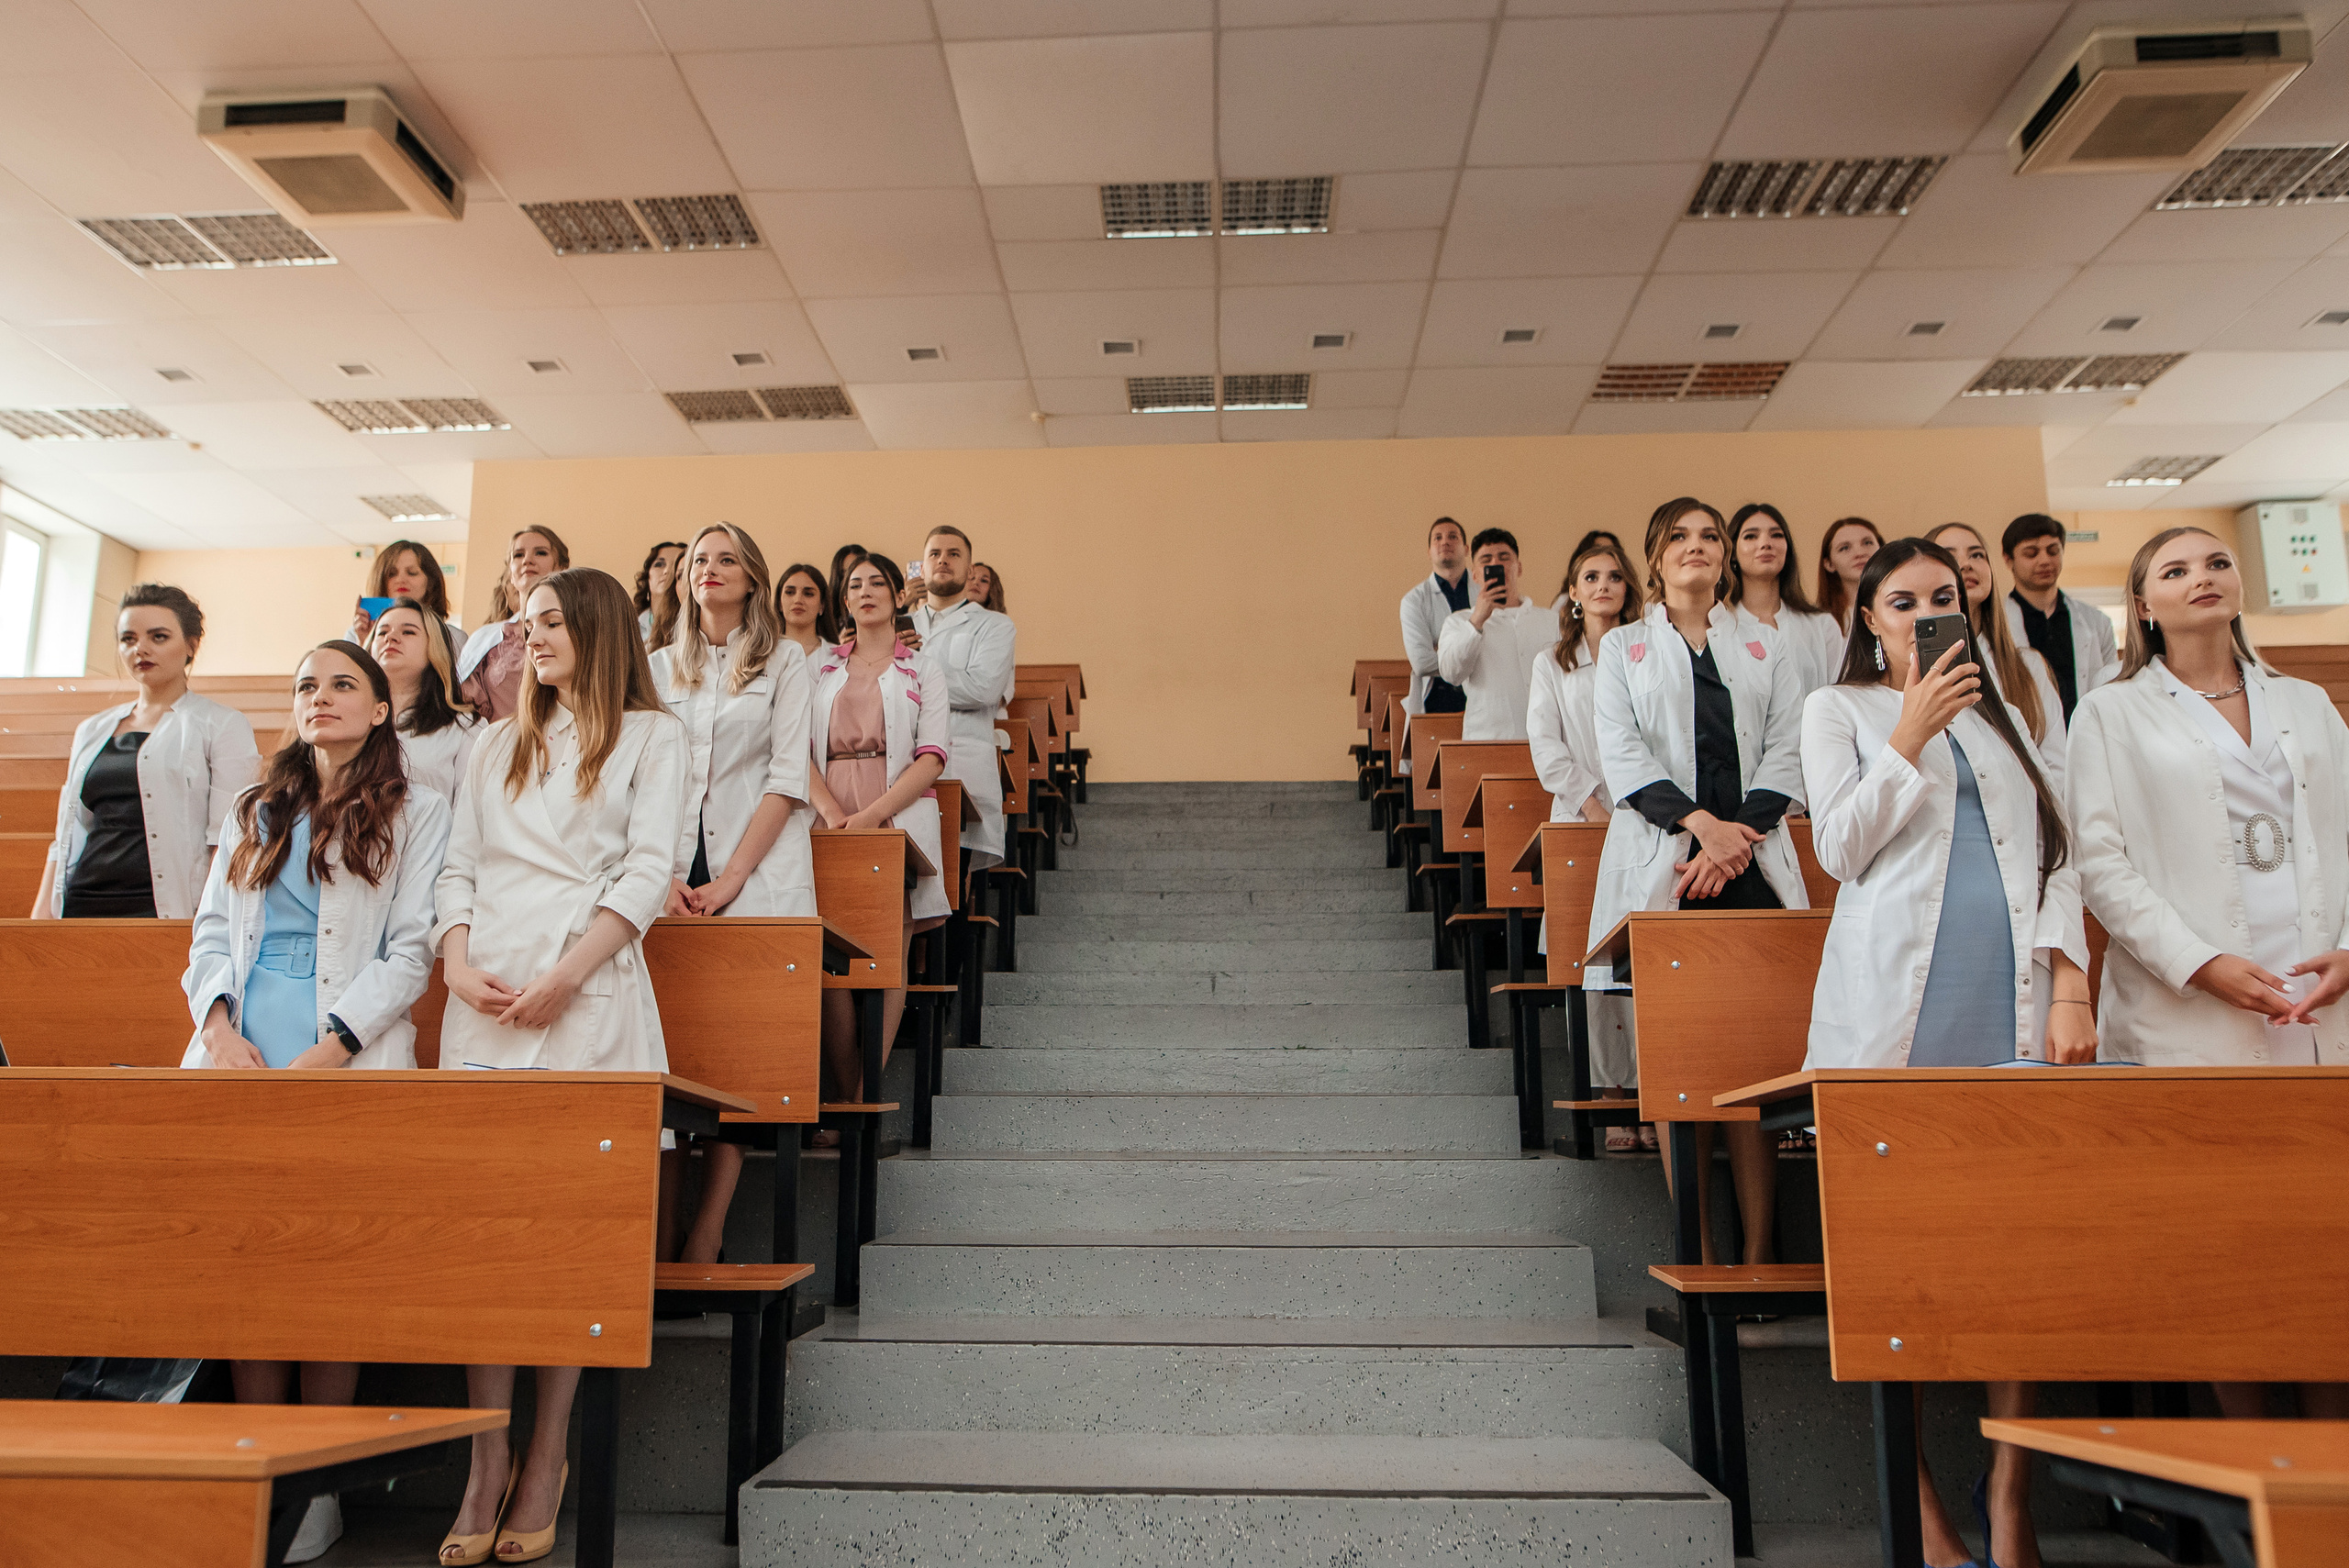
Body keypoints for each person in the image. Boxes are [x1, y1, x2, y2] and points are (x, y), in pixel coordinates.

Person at [1801, 535, 2091, 1568]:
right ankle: (1920, 1504)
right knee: (1903, 1269)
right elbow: (1840, 848)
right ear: (1869, 619)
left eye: (1943, 596)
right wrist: (1910, 734)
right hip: (1894, 1015)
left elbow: (2060, 848)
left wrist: (2070, 982)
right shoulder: (1840, 709)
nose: (1928, 613)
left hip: (2008, 1004)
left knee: (2015, 1258)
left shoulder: (2001, 711)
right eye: (1902, 600)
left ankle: (2008, 1490)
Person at [430, 567, 685, 1567]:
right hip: (486, 996)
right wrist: (456, 965)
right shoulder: (495, 741)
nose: (528, 638)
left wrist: (569, 975)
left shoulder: (653, 736)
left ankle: (546, 1454)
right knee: (484, 1241)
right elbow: (458, 866)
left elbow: (650, 869)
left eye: (548, 622)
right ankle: (485, 1455)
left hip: (588, 991)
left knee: (568, 1241)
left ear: (595, 628)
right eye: (523, 623)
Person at [179, 639, 451, 1565]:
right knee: (248, 1267)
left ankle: (321, 1477)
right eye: (305, 685)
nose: (320, 697)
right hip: (242, 1056)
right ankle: (264, 1457)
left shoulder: (419, 809)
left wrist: (331, 1049)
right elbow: (209, 935)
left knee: (329, 1269)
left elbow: (410, 952)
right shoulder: (254, 808)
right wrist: (220, 1030)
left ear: (379, 708)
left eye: (342, 684)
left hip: (344, 1053)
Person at [1590, 498, 1808, 1267]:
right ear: (1655, 557)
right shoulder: (1622, 647)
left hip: (1748, 869)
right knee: (1682, 1070)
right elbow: (1622, 755)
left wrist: (1733, 838)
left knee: (1752, 1071)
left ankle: (1759, 1254)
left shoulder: (1767, 643)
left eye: (1710, 536)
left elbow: (1788, 748)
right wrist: (1702, 828)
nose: (1698, 546)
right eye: (1679, 537)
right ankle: (1703, 1255)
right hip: (1669, 868)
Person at [650, 524, 813, 1265]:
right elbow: (643, 776)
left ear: (752, 578)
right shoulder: (656, 665)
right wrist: (661, 874)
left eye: (725, 559)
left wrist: (733, 877)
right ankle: (659, 1230)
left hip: (755, 867)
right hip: (668, 873)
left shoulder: (786, 660)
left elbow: (786, 777)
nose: (708, 569)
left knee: (739, 1051)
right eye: (697, 561)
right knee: (674, 1046)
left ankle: (708, 1229)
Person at [807, 555, 951, 1104]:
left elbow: (931, 757)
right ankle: (848, 1096)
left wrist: (871, 818)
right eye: (854, 585)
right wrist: (829, 811)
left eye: (877, 584)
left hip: (895, 811)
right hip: (829, 811)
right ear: (844, 600)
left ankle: (865, 1096)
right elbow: (793, 750)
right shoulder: (819, 667)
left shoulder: (923, 669)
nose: (865, 592)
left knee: (890, 952)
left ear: (897, 597)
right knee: (826, 953)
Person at [35, 584, 260, 919]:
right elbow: (68, 831)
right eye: (128, 639)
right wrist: (41, 919)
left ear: (191, 645)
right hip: (84, 900)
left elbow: (228, 839)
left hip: (165, 908)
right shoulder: (92, 729)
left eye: (158, 637)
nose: (140, 648)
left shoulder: (222, 724)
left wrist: (209, 921)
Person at [1527, 537, 1645, 1150]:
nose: (1604, 585)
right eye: (1591, 577)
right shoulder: (1553, 662)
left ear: (1628, 588)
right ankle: (1612, 1097)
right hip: (1582, 819)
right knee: (1595, 960)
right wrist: (1595, 807)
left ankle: (1654, 1095)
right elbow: (1547, 748)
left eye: (1614, 576)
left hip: (1647, 817)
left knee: (1645, 957)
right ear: (1574, 591)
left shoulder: (1649, 650)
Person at [909, 525, 1017, 877]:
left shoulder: (995, 626)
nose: (943, 560)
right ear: (922, 567)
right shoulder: (898, 626)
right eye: (935, 554)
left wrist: (914, 671)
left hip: (963, 769)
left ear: (969, 571)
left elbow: (982, 690)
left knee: (954, 886)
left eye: (953, 554)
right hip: (900, 773)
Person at [1927, 523, 2065, 793]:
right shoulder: (1910, 670)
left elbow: (2056, 767)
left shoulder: (2029, 666)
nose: (1966, 564)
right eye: (1949, 555)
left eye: (1977, 554)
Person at [1436, 527, 1554, 740]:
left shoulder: (1551, 620)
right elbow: (1451, 674)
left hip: (1547, 739)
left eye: (1504, 557)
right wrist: (1477, 621)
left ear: (1518, 568)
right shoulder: (1458, 622)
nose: (1496, 564)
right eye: (1486, 560)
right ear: (1475, 574)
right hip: (1488, 738)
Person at [2002, 513, 2118, 722]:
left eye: (2053, 551)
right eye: (2031, 553)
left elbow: (2112, 687)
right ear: (2008, 560)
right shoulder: (1996, 623)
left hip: (2086, 730)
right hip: (2025, 733)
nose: (2044, 560)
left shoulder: (2097, 622)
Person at [367, 598, 480, 802]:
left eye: (408, 632)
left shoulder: (466, 727)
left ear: (434, 648)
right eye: (382, 633)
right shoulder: (350, 719)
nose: (391, 637)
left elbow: (468, 812)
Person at [1728, 503, 1843, 700]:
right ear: (1732, 553)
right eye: (1751, 536)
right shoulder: (1722, 626)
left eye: (1776, 535)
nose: (1765, 543)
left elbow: (1840, 696)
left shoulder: (1821, 626)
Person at [457, 526, 570, 723]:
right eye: (518, 555)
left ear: (561, 567)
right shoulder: (486, 637)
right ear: (510, 572)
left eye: (541, 553)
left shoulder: (576, 628)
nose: (527, 560)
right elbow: (461, 705)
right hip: (496, 738)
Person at [1401, 517, 1472, 715]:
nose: (1445, 542)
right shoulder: (1414, 601)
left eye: (1453, 537)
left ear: (1466, 549)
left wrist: (1443, 650)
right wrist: (1474, 655)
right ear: (1429, 552)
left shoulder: (1486, 592)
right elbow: (1422, 662)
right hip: (1438, 699)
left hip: (1483, 693)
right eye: (1437, 538)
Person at [348, 539, 460, 645]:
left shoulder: (453, 638)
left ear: (431, 582)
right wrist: (366, 643)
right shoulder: (356, 634)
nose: (401, 579)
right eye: (392, 574)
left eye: (412, 573)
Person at [1815, 516, 1883, 633]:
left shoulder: (1903, 608)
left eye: (1867, 543)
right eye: (1844, 548)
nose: (1859, 553)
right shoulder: (1819, 623)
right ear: (1829, 564)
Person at [633, 539, 686, 647]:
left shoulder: (695, 626)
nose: (667, 571)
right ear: (647, 577)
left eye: (676, 565)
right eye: (659, 564)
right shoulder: (630, 625)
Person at [1553, 530, 1624, 607]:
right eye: (1591, 578)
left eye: (1614, 578)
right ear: (1574, 593)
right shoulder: (1563, 602)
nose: (1603, 586)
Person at [777, 563, 830, 659]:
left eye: (808, 594)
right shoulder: (763, 655)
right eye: (790, 592)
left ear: (822, 605)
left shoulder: (837, 658)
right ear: (779, 603)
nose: (798, 600)